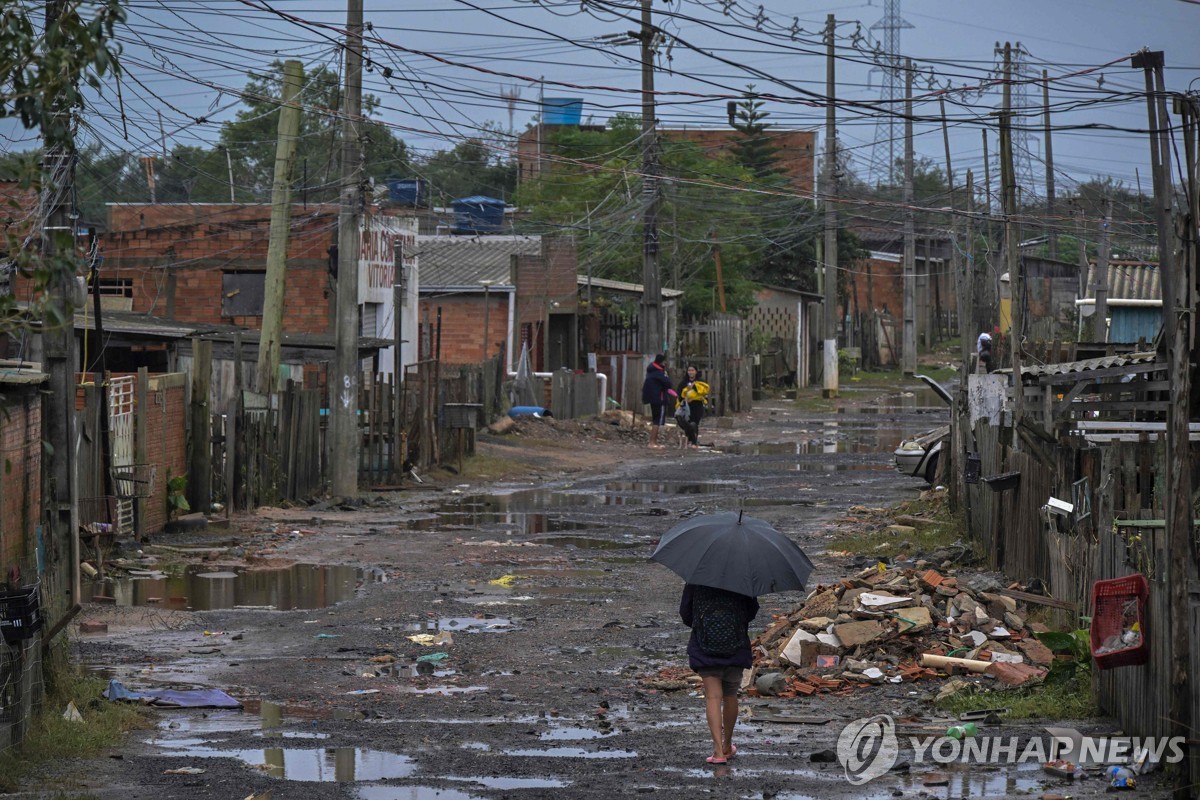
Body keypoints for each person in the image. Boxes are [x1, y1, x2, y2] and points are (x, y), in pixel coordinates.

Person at [679, 583, 759, 764]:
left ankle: (718, 752)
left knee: (713, 698)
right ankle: (727, 744)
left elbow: (685, 613)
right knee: (730, 695)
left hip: (705, 647)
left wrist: (704, 625)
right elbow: (751, 612)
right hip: (736, 646)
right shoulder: (743, 579)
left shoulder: (696, 579)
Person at [641, 354, 675, 449]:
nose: (666, 363)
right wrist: (666, 376)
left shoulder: (651, 371)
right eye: (665, 361)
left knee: (656, 419)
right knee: (658, 421)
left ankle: (653, 441)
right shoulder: (658, 373)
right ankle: (652, 442)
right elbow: (668, 383)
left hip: (653, 399)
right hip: (659, 399)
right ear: (662, 362)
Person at [677, 365, 709, 448]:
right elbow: (679, 394)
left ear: (696, 371)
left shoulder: (700, 382)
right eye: (689, 370)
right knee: (687, 423)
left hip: (697, 405)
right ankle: (691, 440)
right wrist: (684, 400)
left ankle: (694, 442)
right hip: (686, 406)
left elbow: (704, 392)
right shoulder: (683, 383)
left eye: (692, 370)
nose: (691, 372)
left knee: (695, 423)